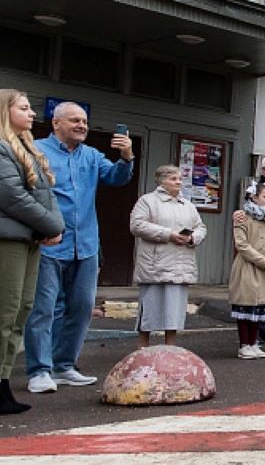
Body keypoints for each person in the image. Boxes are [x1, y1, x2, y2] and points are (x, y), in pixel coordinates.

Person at [24, 101, 134, 394]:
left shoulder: (92, 155)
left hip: (85, 245)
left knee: (82, 308)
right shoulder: (36, 150)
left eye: (84, 121)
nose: (82, 126)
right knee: (44, 309)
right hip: (48, 243)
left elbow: (116, 178)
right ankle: (39, 370)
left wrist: (126, 157)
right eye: (74, 120)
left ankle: (64, 366)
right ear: (55, 123)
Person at [0, 90, 64, 414]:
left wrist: (53, 226)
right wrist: (50, 225)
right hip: (8, 241)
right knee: (5, 312)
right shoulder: (0, 149)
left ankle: (3, 383)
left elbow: (46, 195)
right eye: (24, 108)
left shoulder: (27, 148)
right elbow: (11, 196)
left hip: (29, 240)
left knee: (21, 311)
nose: (31, 114)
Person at [129, 165, 206, 348]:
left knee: (174, 310)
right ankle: (143, 348)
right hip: (155, 263)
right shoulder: (147, 201)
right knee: (149, 308)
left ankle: (170, 349)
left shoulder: (188, 205)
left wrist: (192, 237)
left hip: (180, 263)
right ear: (161, 181)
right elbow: (137, 225)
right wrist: (169, 234)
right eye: (173, 179)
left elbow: (201, 227)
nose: (178, 182)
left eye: (180, 178)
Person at [230, 181, 265, 359]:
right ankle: (244, 343)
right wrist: (261, 260)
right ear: (254, 197)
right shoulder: (243, 217)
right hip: (249, 267)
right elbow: (241, 244)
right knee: (247, 305)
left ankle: (254, 342)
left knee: (260, 307)